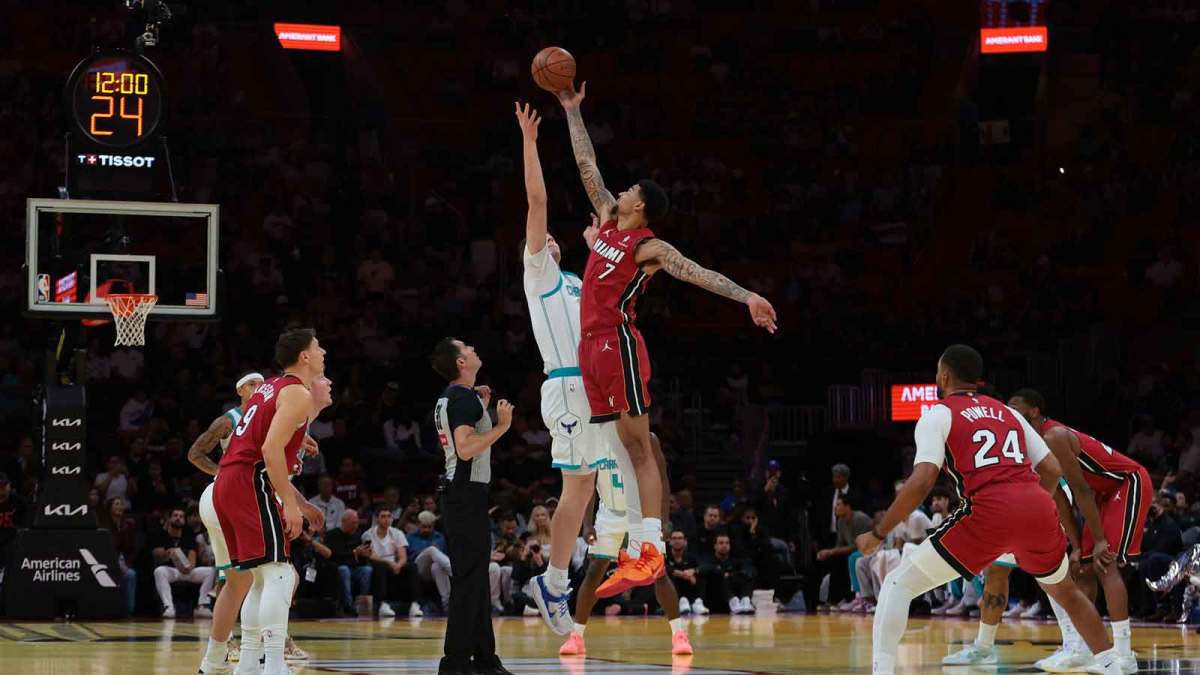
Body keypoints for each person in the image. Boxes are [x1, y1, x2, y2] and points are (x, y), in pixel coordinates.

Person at [556, 82, 778, 597]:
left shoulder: (648, 245)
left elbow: (696, 272)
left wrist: (746, 296)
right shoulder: (609, 220)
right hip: (589, 348)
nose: (622, 189)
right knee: (618, 446)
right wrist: (572, 111)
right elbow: (586, 166)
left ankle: (651, 548)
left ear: (642, 206)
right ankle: (634, 540)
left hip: (618, 344)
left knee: (639, 446)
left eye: (631, 189)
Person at [855, 344, 1124, 675]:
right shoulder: (1007, 412)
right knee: (1067, 593)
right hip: (1037, 505)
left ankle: (882, 671)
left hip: (989, 511)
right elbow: (1052, 468)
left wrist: (879, 532)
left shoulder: (938, 414)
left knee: (898, 584)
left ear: (944, 375)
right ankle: (1113, 664)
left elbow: (923, 479)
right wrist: (1027, 507)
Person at [212, 329, 327, 675]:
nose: (323, 352)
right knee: (279, 574)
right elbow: (270, 449)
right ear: (304, 356)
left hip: (228, 481)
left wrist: (299, 502)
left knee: (259, 578)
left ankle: (248, 663)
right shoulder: (296, 392)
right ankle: (275, 664)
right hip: (249, 480)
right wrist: (291, 507)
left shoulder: (270, 388)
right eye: (318, 347)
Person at [558, 433, 693, 656]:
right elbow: (588, 484)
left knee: (659, 573)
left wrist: (665, 518)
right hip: (609, 513)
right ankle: (576, 636)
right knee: (593, 572)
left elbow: (661, 479)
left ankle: (679, 635)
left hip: (642, 513)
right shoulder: (594, 439)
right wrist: (587, 524)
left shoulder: (647, 438)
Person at [429, 337, 514, 675]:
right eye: (467, 347)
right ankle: (455, 663)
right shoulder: (462, 398)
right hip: (465, 495)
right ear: (460, 363)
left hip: (461, 495)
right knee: (468, 580)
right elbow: (466, 449)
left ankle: (484, 659)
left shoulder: (455, 397)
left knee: (476, 579)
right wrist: (501, 426)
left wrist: (482, 408)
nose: (474, 348)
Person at [150, 507, 216, 619]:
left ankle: (202, 606)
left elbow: (192, 556)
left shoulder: (188, 534)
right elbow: (156, 554)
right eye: (175, 516)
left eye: (181, 516)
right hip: (171, 571)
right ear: (169, 518)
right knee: (159, 571)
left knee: (211, 571)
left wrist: (189, 567)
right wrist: (168, 553)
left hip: (187, 571)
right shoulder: (161, 534)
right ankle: (169, 607)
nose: (178, 518)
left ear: (184, 520)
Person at [406, 510, 450, 614]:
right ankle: (455, 572)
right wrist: (426, 551)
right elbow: (408, 559)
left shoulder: (440, 537)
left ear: (433, 525)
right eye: (423, 527)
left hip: (435, 571)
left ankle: (447, 604)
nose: (426, 529)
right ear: (418, 524)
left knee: (436, 566)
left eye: (429, 527)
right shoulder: (410, 537)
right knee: (432, 550)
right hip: (418, 569)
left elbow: (444, 557)